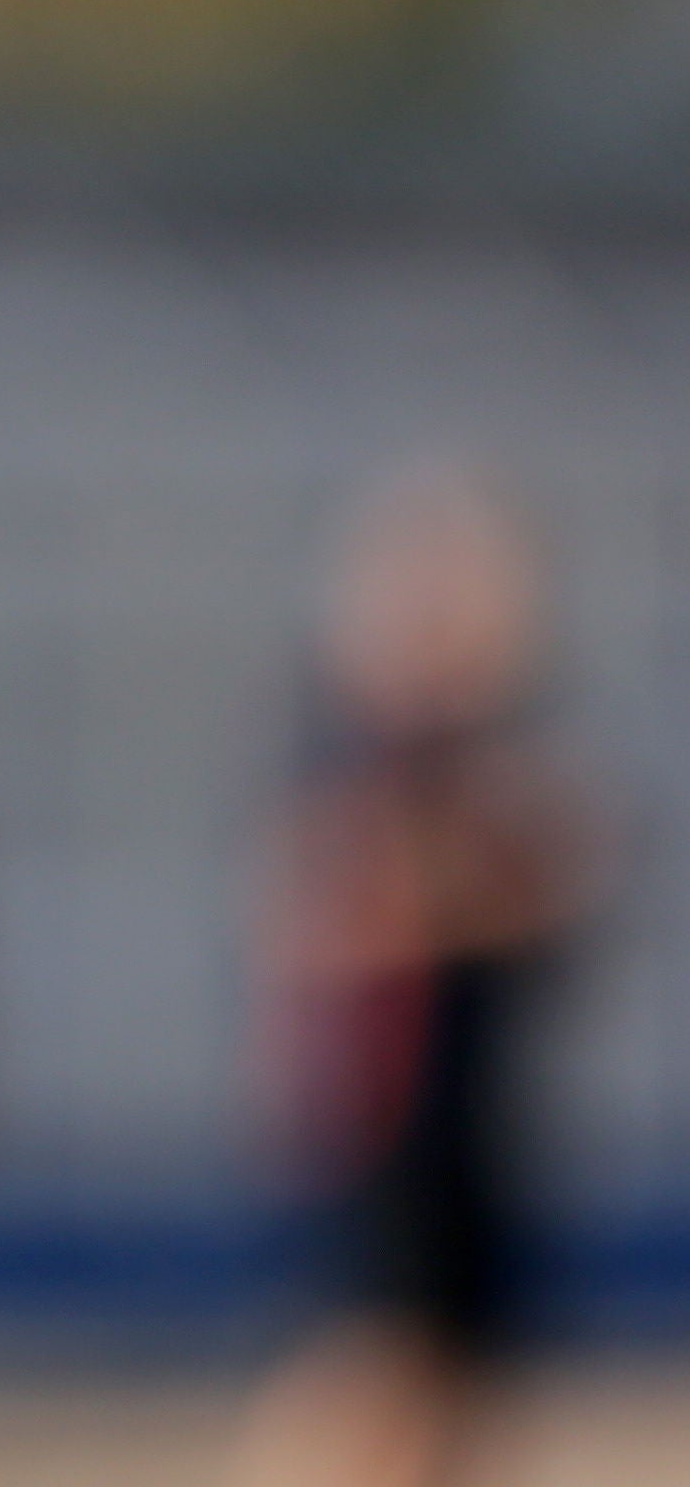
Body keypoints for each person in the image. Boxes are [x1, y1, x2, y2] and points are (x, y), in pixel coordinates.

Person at [229, 462, 597, 1487]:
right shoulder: (350, 757)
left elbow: (559, 898)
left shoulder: (503, 760)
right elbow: (337, 915)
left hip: (476, 1128)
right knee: (365, 1381)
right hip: (381, 1126)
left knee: (457, 1395)